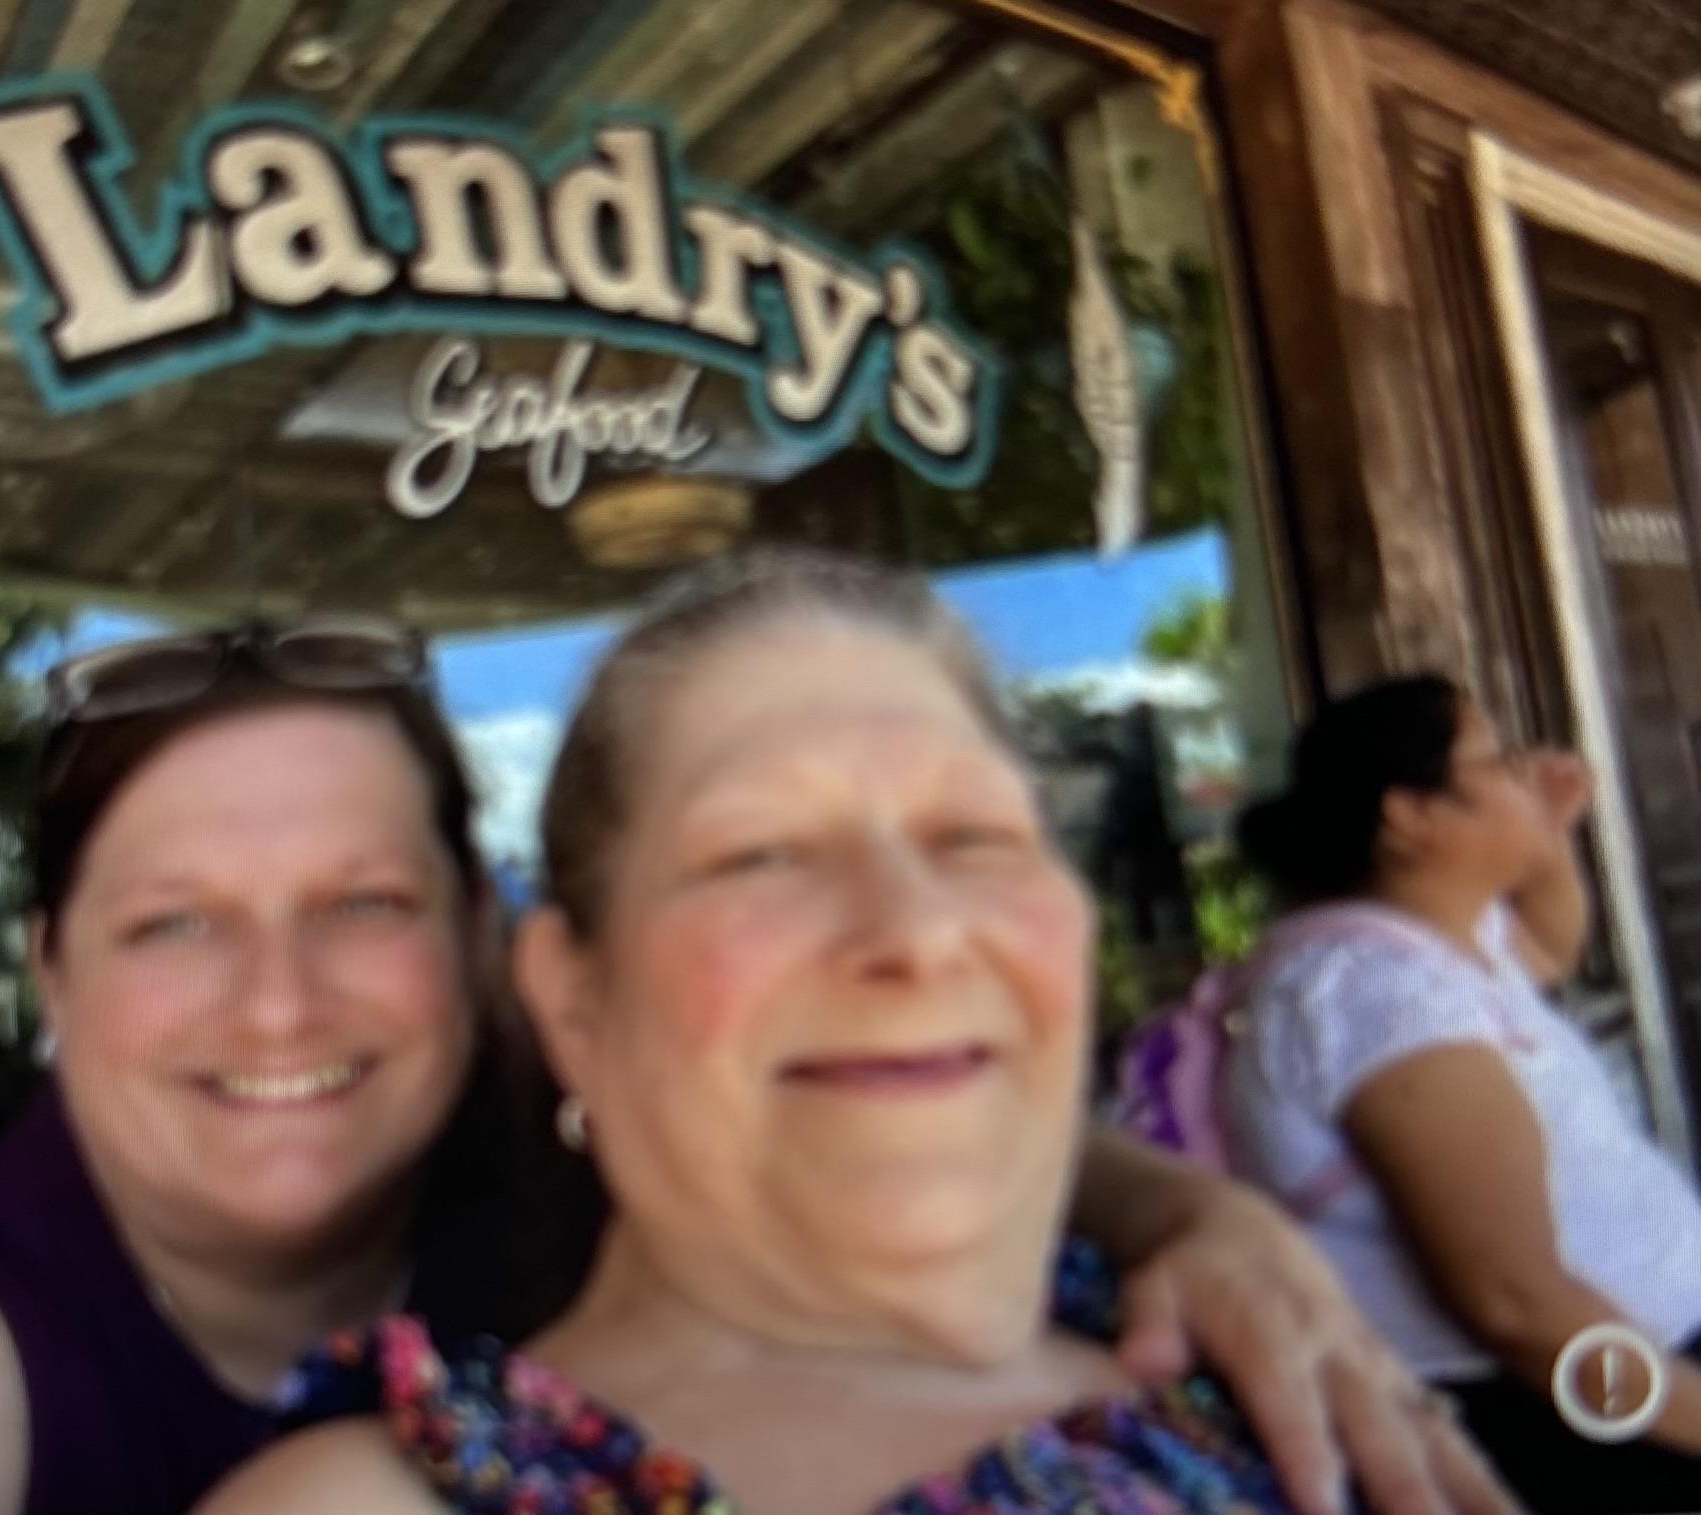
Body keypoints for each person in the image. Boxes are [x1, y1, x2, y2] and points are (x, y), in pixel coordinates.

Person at [198, 554, 1513, 1515]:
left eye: (978, 837)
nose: (918, 927)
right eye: (759, 851)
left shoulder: (1284, 1375)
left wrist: (1196, 1218)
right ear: (572, 994)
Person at [1222, 674, 1701, 1510]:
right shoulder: (1379, 996)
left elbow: (1548, 948)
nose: (1525, 767)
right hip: (1582, 1428)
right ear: (1410, 813)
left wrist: (1539, 836)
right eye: (1493, 757)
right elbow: (1518, 1310)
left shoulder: (1440, 938)